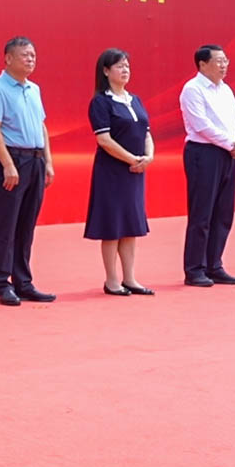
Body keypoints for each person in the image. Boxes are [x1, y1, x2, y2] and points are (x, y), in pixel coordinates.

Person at [0, 36, 56, 305]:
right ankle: (2, 284)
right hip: (11, 160)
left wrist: (48, 161)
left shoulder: (34, 89)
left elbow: (42, 127)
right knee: (6, 225)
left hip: (35, 160)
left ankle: (23, 282)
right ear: (8, 58)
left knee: (26, 225)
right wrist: (8, 165)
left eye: (33, 55)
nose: (30, 59)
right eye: (25, 55)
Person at [83, 48, 154, 296]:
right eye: (119, 66)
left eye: (127, 66)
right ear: (105, 71)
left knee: (131, 224)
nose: (125, 70)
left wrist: (148, 157)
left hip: (135, 172)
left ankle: (130, 278)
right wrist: (132, 159)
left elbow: (146, 133)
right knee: (112, 225)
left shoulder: (135, 100)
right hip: (112, 172)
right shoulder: (100, 102)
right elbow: (104, 140)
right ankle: (112, 280)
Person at [178, 44, 235, 287]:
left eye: (225, 60)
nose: (224, 65)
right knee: (202, 213)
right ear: (202, 64)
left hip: (227, 154)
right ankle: (194, 269)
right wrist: (231, 143)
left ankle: (214, 265)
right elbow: (201, 125)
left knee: (223, 212)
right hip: (203, 153)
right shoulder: (192, 89)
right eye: (219, 61)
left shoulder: (225, 89)